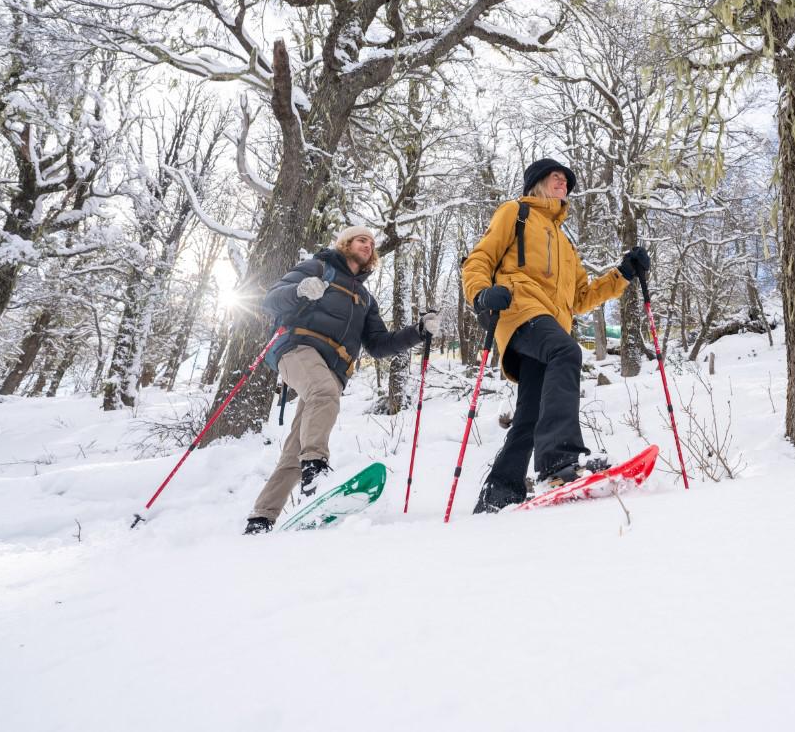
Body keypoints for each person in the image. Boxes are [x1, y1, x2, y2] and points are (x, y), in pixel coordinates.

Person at [462, 159, 650, 513]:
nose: (563, 182)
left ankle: (500, 492)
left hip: (551, 324)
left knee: (531, 412)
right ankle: (557, 464)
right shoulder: (515, 213)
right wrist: (480, 295)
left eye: (567, 180)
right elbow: (479, 259)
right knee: (567, 352)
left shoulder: (566, 243)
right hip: (519, 309)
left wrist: (622, 274)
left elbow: (581, 298)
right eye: (556, 177)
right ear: (537, 182)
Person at [243, 225, 439, 534]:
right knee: (322, 394)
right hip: (297, 348)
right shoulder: (318, 268)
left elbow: (378, 345)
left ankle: (260, 518)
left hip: (333, 368)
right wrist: (299, 290)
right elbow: (270, 300)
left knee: (297, 448)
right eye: (362, 239)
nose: (368, 245)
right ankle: (317, 470)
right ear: (345, 243)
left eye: (371, 243)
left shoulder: (365, 298)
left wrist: (418, 332)